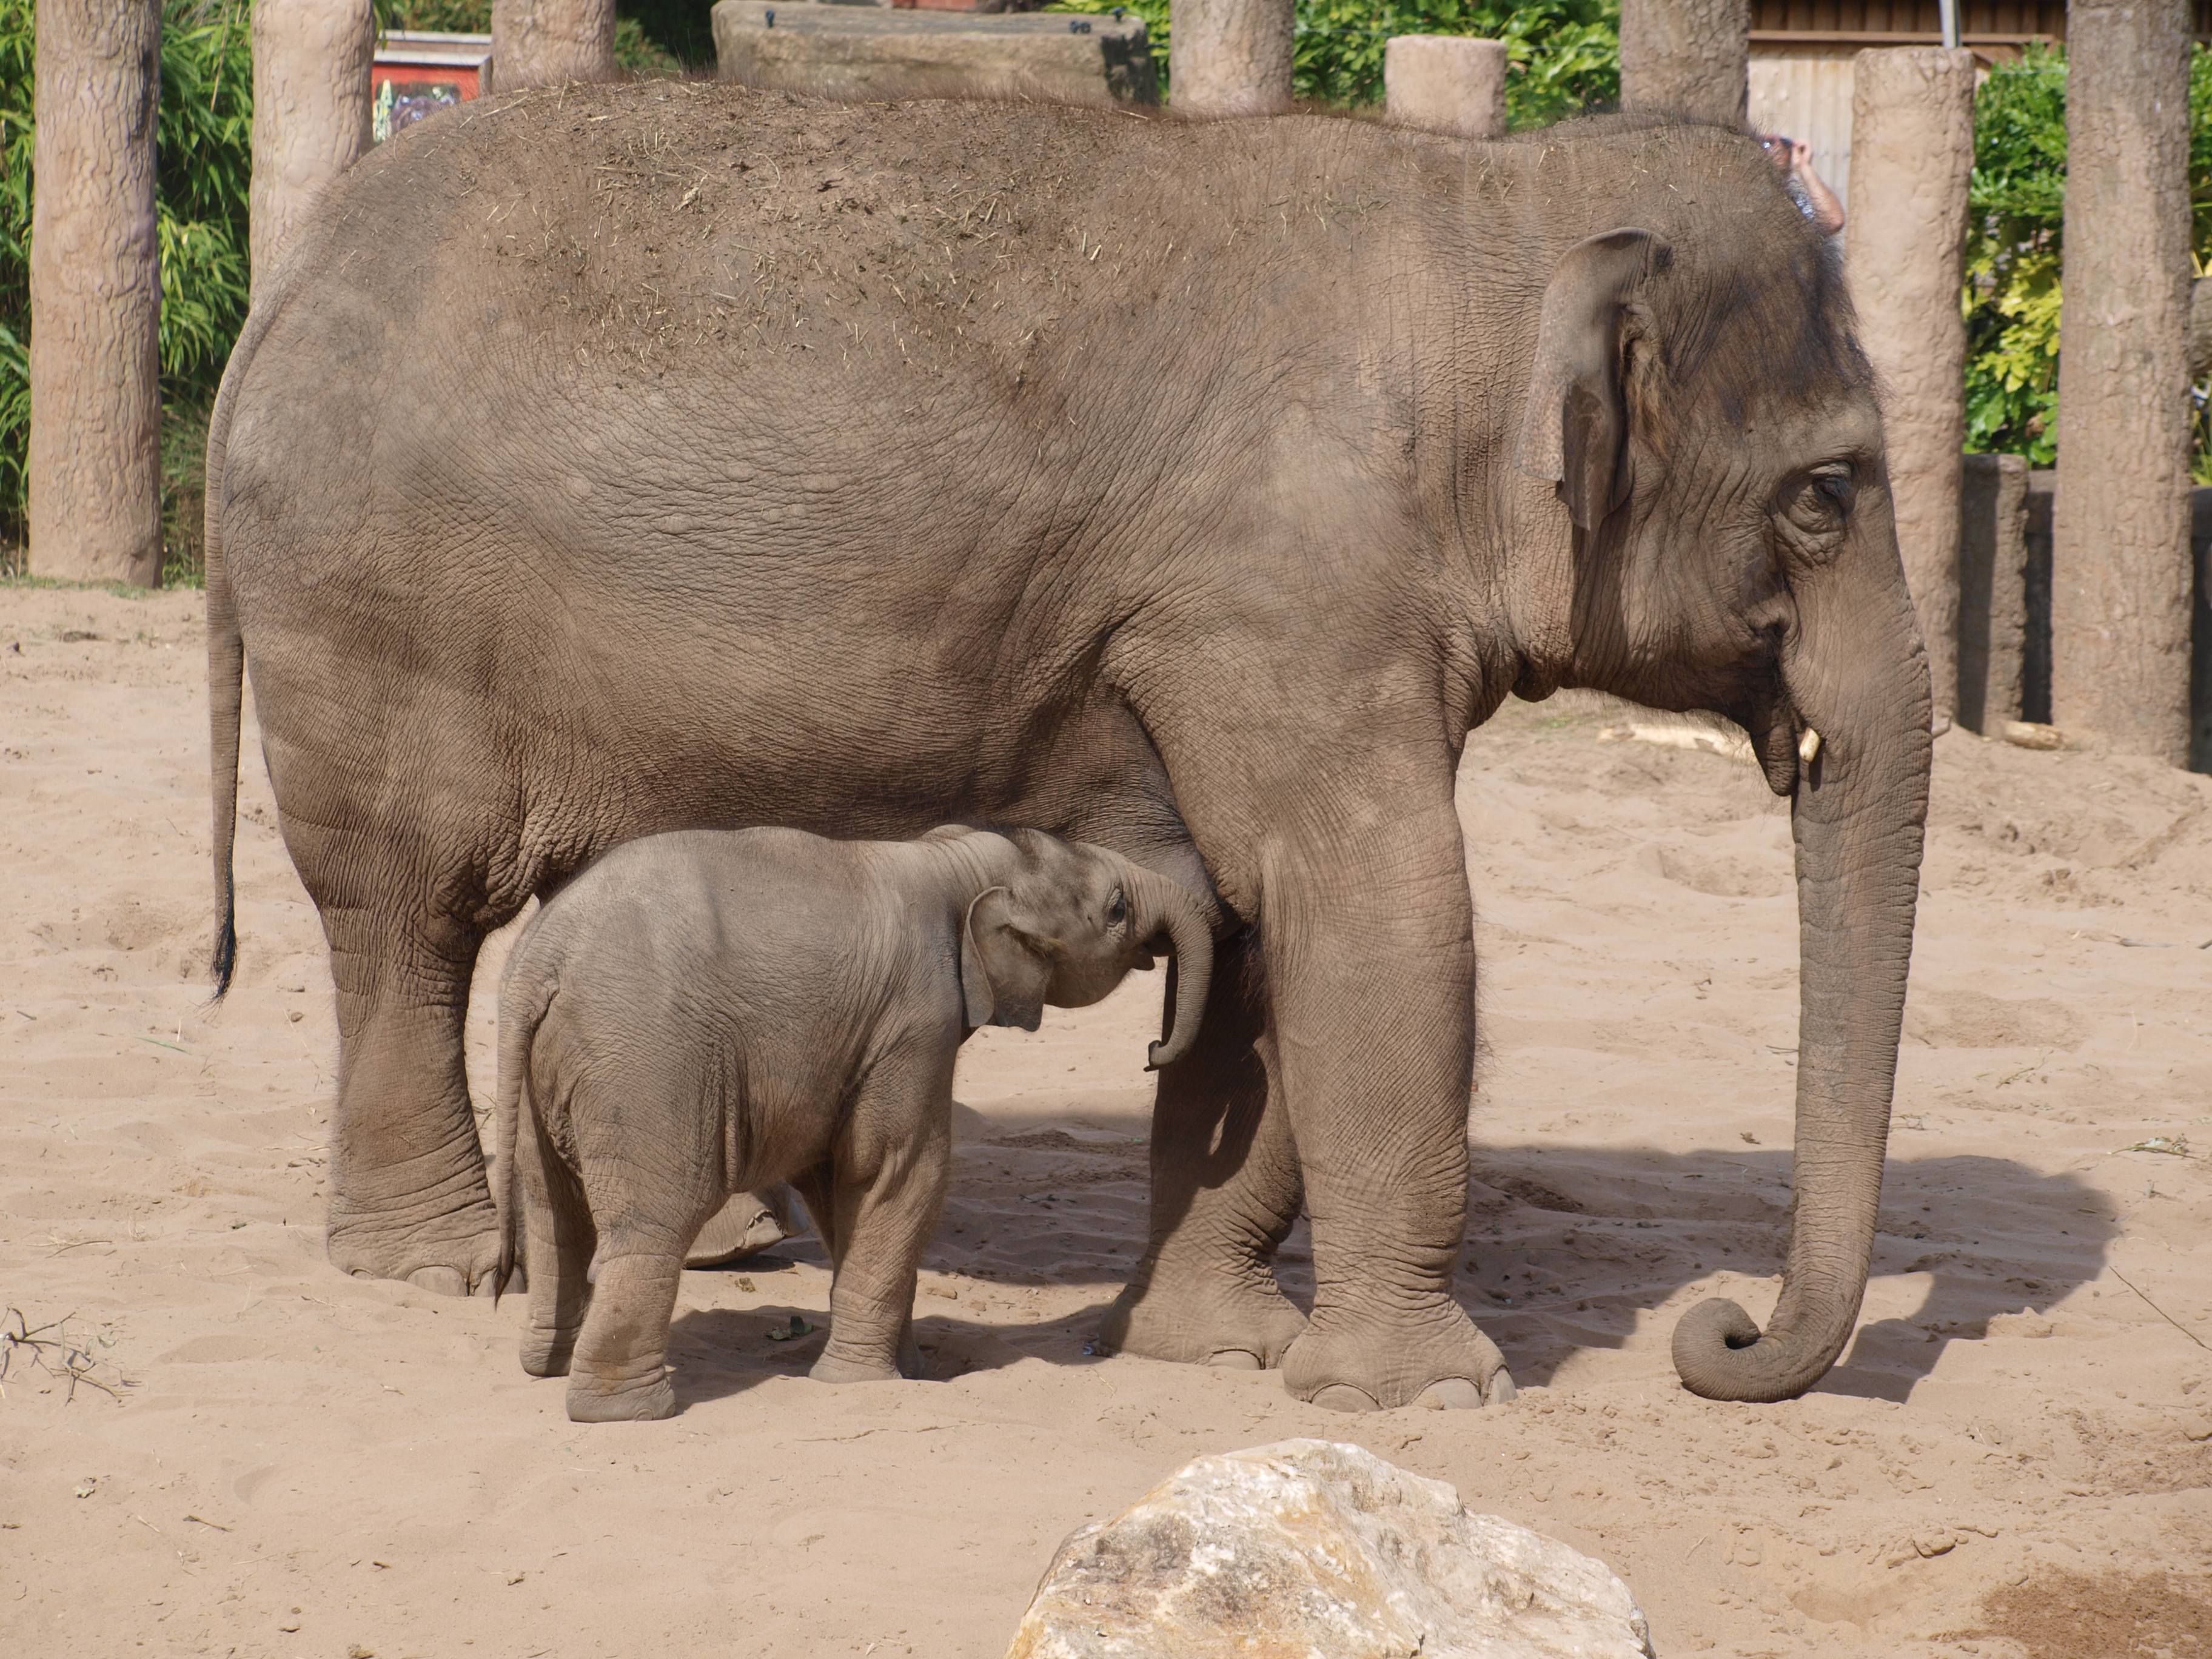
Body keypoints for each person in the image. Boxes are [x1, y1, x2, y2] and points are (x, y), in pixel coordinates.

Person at [1760, 133, 1845, 236]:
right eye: (1769, 142)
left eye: (1786, 142)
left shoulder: (1795, 200)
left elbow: (1833, 221)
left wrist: (1804, 166)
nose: (1778, 145)